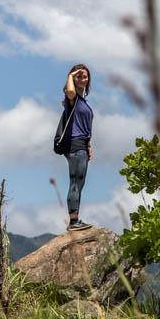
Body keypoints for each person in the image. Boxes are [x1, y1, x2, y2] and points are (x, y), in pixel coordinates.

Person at [61, 63, 94, 231]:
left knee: (79, 182)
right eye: (78, 76)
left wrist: (88, 145)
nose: (82, 79)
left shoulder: (82, 101)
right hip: (74, 144)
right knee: (75, 181)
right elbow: (71, 91)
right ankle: (74, 221)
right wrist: (70, 75)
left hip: (81, 144)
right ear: (73, 78)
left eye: (85, 76)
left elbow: (83, 126)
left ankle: (76, 219)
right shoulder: (71, 97)